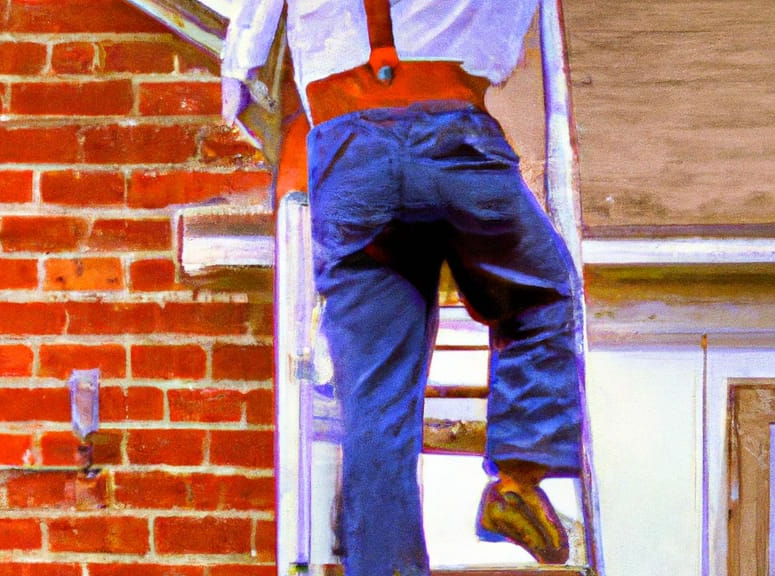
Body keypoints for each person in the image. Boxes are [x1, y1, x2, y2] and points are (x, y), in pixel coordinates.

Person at [221, 1, 584, 574]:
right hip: (451, 133)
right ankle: (517, 477)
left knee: (374, 398)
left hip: (345, 154)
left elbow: (248, 66)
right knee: (540, 294)